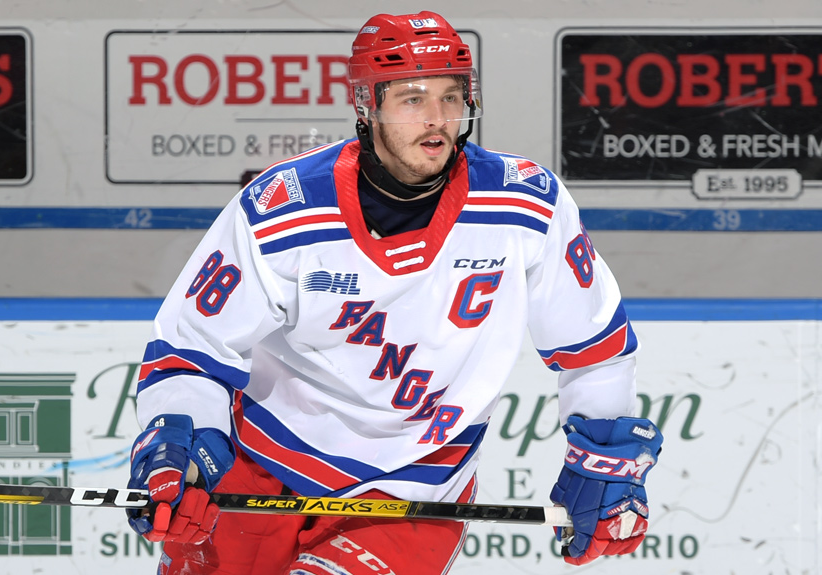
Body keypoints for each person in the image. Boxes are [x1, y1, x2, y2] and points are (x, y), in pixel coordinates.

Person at [126, 11, 662, 574]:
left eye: (451, 97)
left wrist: (604, 457)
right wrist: (178, 446)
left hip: (416, 490)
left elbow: (593, 345)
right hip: (260, 468)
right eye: (412, 98)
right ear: (367, 105)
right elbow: (192, 348)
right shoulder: (282, 209)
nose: (437, 119)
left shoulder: (526, 207)